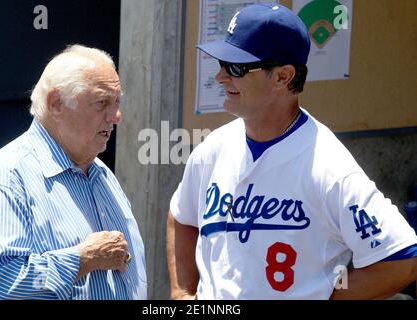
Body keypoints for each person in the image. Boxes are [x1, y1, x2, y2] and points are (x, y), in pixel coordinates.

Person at [166, 3, 417, 299]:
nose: (221, 77)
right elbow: (181, 216)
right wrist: (182, 292)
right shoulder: (212, 150)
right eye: (221, 63)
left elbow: (402, 260)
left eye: (236, 67)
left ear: (283, 77)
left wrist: (326, 296)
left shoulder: (328, 166)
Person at [0, 45, 147, 300]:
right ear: (56, 104)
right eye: (102, 102)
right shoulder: (4, 178)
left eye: (117, 102)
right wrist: (81, 259)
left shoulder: (103, 176)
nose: (116, 116)